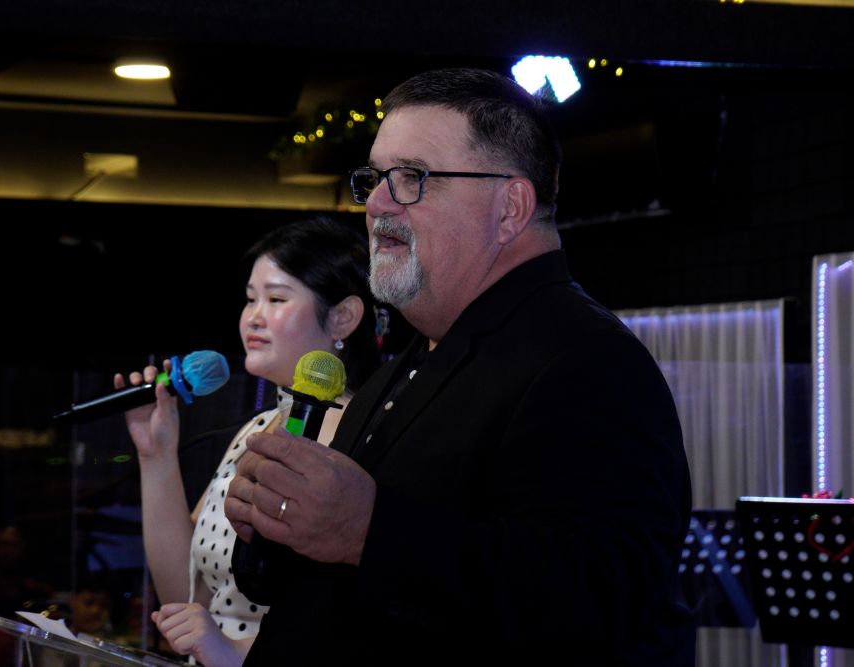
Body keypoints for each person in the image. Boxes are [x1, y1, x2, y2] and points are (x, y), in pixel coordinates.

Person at [225, 68, 695, 665]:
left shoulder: (589, 361)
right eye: (375, 178)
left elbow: (598, 599)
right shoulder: (415, 360)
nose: (377, 204)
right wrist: (276, 525)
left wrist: (369, 530)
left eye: (412, 178)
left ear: (510, 207)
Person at [114, 218, 379, 667]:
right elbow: (185, 599)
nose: (253, 317)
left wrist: (236, 652)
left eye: (276, 299)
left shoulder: (359, 435)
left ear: (343, 317)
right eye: (250, 299)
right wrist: (155, 455)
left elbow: (350, 623)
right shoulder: (256, 429)